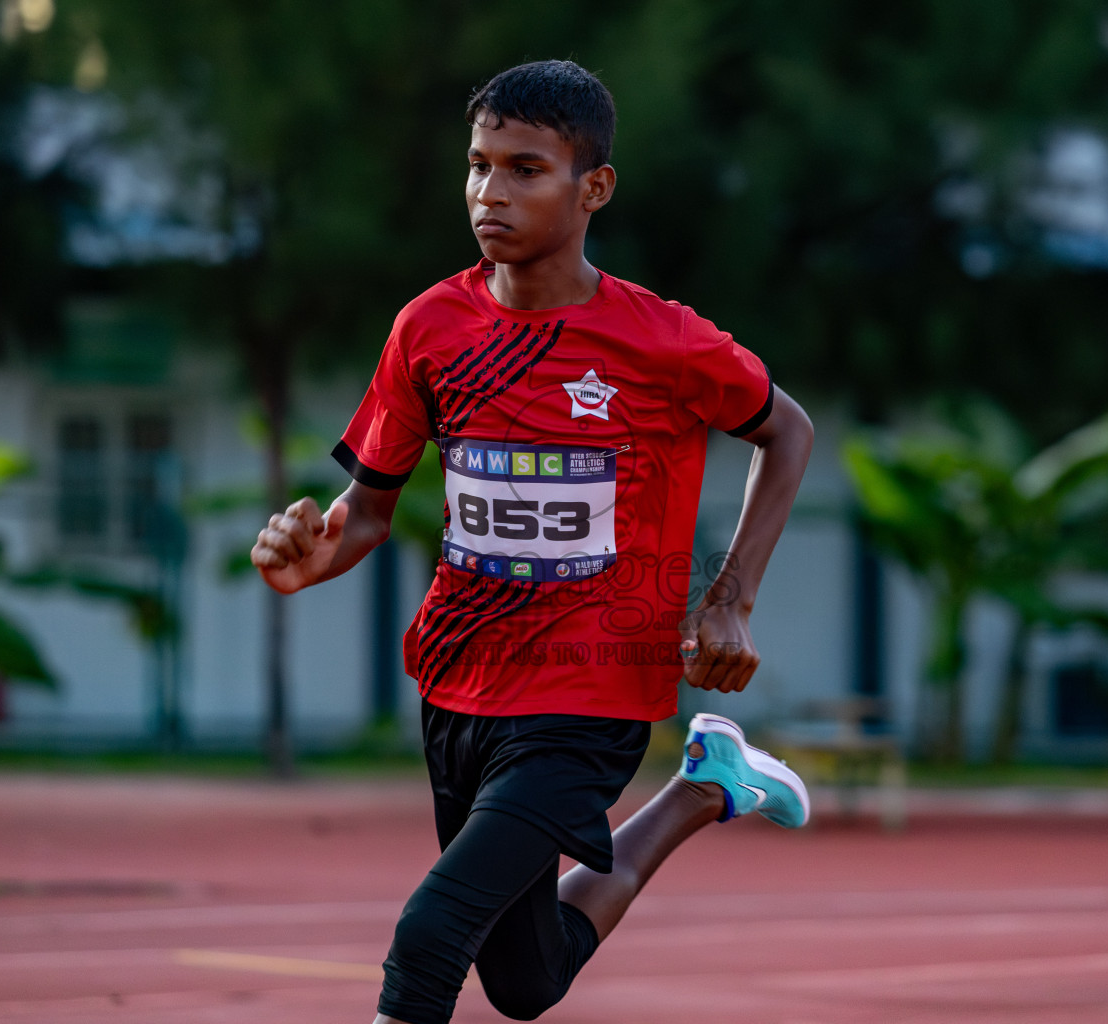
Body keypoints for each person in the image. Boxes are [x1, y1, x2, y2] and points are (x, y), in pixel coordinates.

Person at [251, 59, 815, 1024]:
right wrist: (315, 553)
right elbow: (370, 509)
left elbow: (785, 429)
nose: (489, 193)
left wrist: (729, 597)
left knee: (429, 939)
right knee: (522, 983)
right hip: (458, 684)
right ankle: (701, 791)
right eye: (477, 166)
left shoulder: (663, 341)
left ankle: (682, 777)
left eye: (524, 169)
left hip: (591, 689)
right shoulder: (429, 328)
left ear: (592, 187)